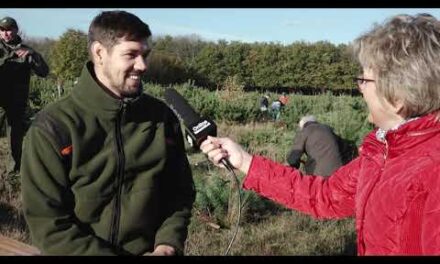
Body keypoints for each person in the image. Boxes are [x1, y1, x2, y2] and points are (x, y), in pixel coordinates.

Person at [200, 13, 440, 255]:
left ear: (396, 98)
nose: (360, 88)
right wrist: (244, 161)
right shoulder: (381, 152)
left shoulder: (432, 172)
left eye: (364, 80)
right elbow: (324, 196)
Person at [21, 11, 195, 256]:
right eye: (131, 55)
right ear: (100, 53)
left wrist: (167, 245)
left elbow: (179, 194)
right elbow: (48, 223)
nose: (143, 65)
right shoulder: (53, 128)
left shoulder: (162, 119)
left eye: (145, 55)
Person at [0, 16, 49, 174]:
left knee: (15, 136)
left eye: (9, 29)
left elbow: (44, 72)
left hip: (16, 101)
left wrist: (32, 55)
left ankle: (13, 172)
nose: (6, 33)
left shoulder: (26, 51)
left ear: (15, 30)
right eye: (2, 30)